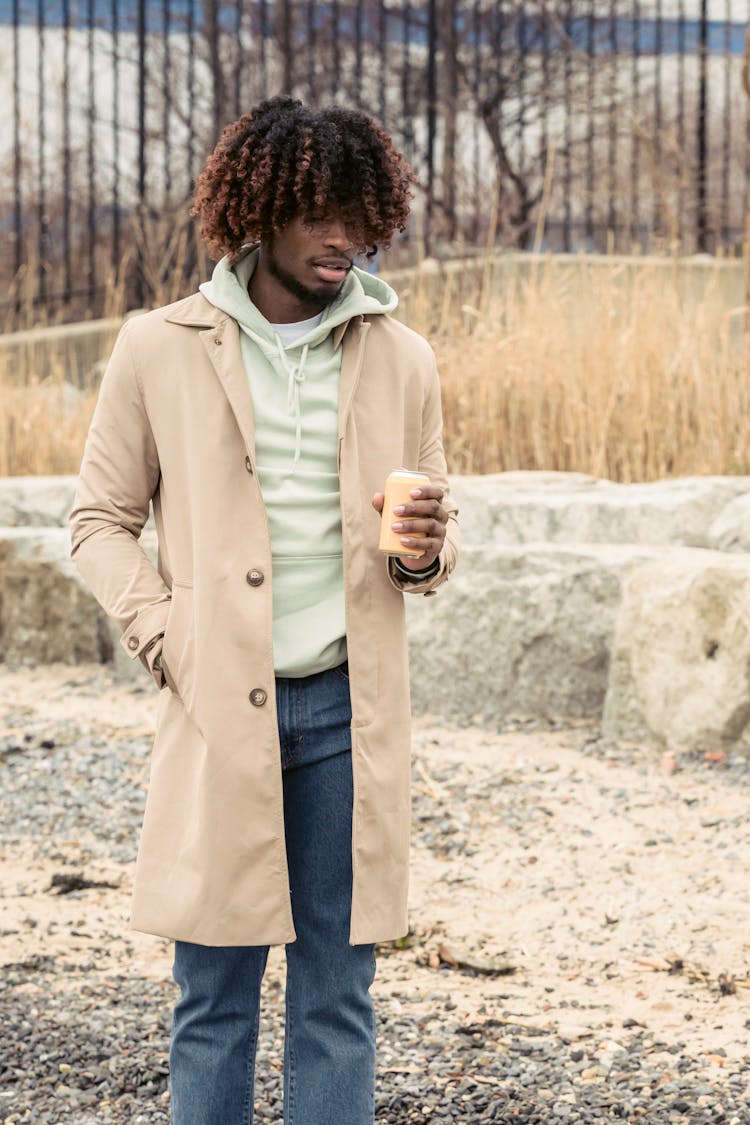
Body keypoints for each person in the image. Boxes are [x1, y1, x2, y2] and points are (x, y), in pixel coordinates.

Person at [69, 96, 459, 1125]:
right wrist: (166, 635)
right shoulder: (158, 347)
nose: (347, 239)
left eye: (362, 217)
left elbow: (429, 542)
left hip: (346, 716)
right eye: (321, 215)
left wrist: (423, 553)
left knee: (338, 993)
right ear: (262, 210)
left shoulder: (403, 358)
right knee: (213, 996)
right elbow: (98, 521)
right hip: (215, 710)